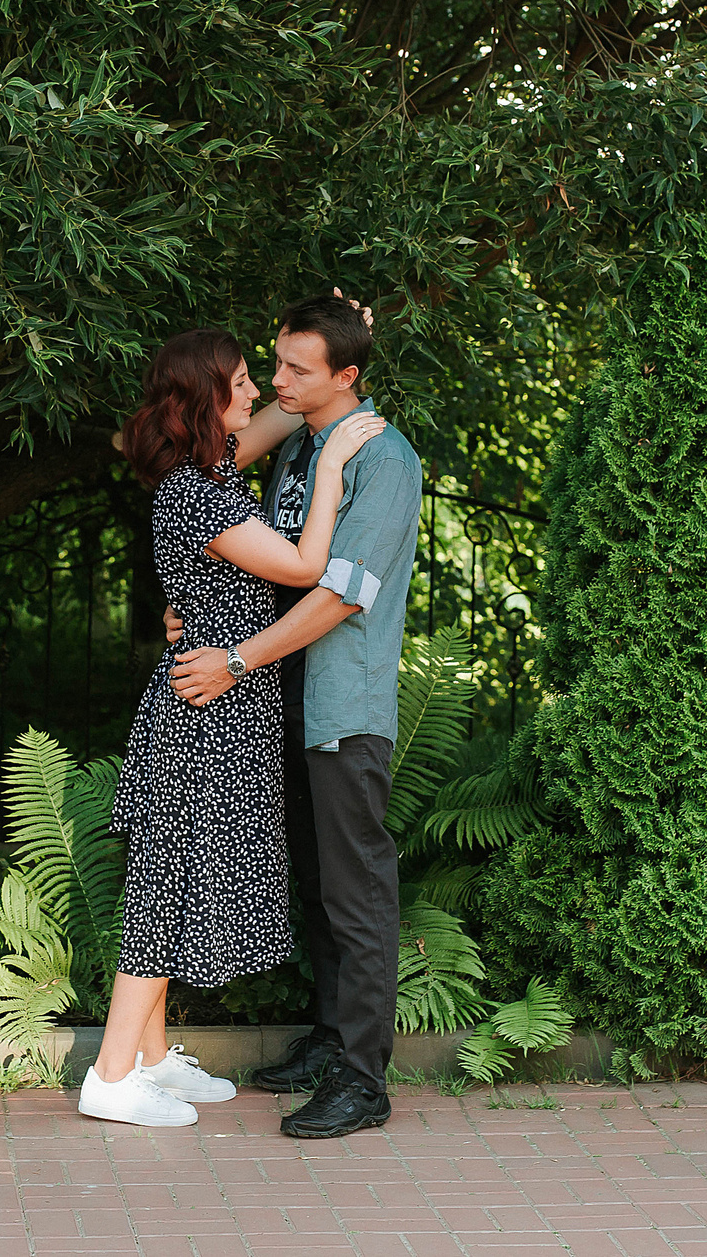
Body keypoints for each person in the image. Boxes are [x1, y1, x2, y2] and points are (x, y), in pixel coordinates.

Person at [79, 326, 388, 1128]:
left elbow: (281, 411)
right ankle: (111, 1074)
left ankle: (149, 1059)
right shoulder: (202, 493)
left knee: (175, 876)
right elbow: (306, 566)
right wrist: (330, 464)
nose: (259, 391)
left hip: (220, 705)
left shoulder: (206, 472)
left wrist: (327, 369)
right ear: (204, 401)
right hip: (205, 710)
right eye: (243, 380)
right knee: (165, 885)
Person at [167, 293, 422, 1140]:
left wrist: (237, 658)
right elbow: (246, 537)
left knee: (356, 890)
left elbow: (342, 594)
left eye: (295, 369)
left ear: (345, 377)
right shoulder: (305, 443)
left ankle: (363, 1079)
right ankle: (330, 1039)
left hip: (342, 706)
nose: (277, 380)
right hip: (285, 699)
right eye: (274, 362)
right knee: (316, 883)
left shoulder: (383, 459)